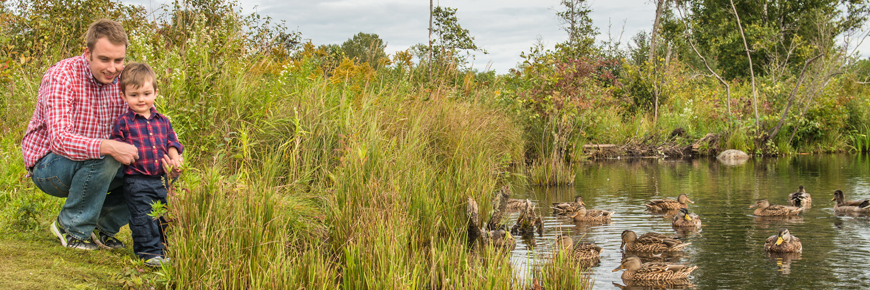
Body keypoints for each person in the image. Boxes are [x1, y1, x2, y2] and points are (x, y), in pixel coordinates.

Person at [22, 19, 138, 250]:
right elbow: (60, 140)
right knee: (108, 153)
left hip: (98, 165)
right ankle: (71, 226)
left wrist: (170, 152)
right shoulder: (61, 76)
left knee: (160, 168)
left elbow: (149, 120)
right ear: (88, 53)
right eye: (104, 59)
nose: (112, 68)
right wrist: (110, 146)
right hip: (51, 168)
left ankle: (102, 226)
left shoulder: (125, 79)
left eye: (118, 60)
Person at [111, 62, 183, 267]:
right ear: (124, 96)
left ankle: (162, 250)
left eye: (146, 93)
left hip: (161, 178)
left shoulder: (163, 121)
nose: (141, 99)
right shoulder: (124, 122)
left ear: (155, 93)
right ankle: (148, 253)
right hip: (137, 178)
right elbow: (117, 144)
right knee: (143, 215)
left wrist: (174, 156)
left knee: (162, 215)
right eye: (134, 95)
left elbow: (173, 141)